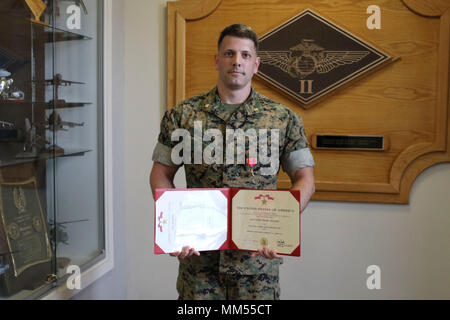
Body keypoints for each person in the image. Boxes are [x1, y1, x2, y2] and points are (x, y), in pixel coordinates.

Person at [150, 23, 315, 300]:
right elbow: (160, 175)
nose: (237, 61)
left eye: (245, 55)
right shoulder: (182, 116)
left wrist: (282, 223)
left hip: (257, 269)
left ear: (256, 64)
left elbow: (305, 178)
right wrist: (173, 229)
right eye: (229, 53)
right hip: (199, 267)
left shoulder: (283, 119)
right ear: (217, 60)